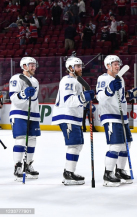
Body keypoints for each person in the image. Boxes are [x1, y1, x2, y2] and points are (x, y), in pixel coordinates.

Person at [96, 55, 137, 186]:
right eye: (114, 64)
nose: (117, 66)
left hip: (122, 116)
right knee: (115, 145)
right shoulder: (103, 78)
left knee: (127, 144)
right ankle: (108, 173)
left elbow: (120, 97)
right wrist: (109, 89)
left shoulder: (120, 79)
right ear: (108, 65)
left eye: (118, 64)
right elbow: (100, 97)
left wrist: (130, 94)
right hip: (109, 114)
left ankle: (119, 170)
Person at [51, 57, 95, 185]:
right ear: (70, 68)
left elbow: (77, 100)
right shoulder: (68, 80)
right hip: (67, 115)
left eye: (81, 66)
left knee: (77, 145)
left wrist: (86, 104)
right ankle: (68, 174)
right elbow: (68, 100)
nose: (80, 68)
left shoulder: (76, 81)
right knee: (74, 145)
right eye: (77, 66)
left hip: (73, 116)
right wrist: (84, 97)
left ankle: (69, 172)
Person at [10, 57, 40, 182]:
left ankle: (28, 165)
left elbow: (33, 98)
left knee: (32, 140)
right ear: (24, 66)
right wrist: (23, 94)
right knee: (21, 140)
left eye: (34, 65)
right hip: (19, 113)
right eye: (31, 65)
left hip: (32, 113)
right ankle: (18, 166)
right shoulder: (17, 78)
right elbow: (13, 98)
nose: (33, 67)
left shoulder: (35, 81)